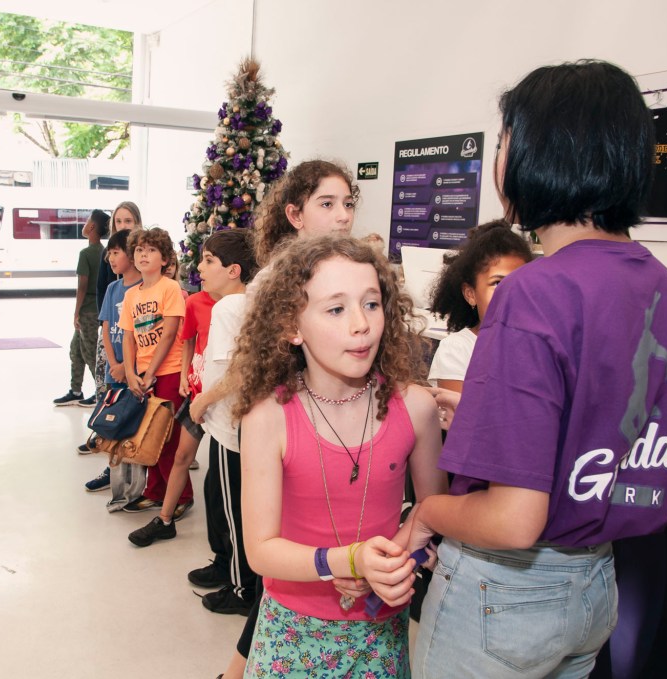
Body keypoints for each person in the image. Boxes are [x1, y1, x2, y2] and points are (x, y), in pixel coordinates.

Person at [386, 61, 667, 678]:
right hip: (596, 586)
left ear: (540, 152)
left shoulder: (534, 292)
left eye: (504, 140)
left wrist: (426, 513)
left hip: (504, 593)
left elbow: (512, 519)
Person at [228, 234, 445, 677]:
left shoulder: (416, 408)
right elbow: (261, 551)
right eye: (335, 309)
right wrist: (347, 560)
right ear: (292, 325)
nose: (361, 324)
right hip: (291, 633)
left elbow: (434, 513)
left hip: (381, 634)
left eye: (371, 304)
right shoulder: (268, 417)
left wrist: (403, 559)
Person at [215, 158, 361, 678]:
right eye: (328, 204)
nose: (342, 215)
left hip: (336, 433)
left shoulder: (349, 269)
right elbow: (259, 372)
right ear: (295, 215)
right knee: (277, 571)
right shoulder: (276, 282)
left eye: (348, 204)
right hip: (289, 440)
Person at [127, 230, 254, 556]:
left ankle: (234, 557)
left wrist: (205, 399)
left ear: (233, 270)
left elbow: (240, 368)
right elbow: (189, 342)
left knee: (224, 483)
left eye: (208, 260)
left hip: (220, 404)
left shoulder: (237, 308)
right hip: (199, 393)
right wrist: (188, 378)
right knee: (182, 457)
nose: (199, 267)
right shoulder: (198, 301)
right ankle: (165, 519)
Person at [117, 227, 191, 515]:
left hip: (169, 371)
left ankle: (181, 496)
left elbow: (170, 333)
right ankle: (155, 491)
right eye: (139, 250)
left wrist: (151, 374)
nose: (144, 255)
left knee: (168, 436)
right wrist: (132, 372)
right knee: (148, 434)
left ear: (165, 259)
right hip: (143, 374)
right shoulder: (131, 295)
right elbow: (128, 337)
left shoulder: (169, 288)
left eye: (151, 250)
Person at [427, 219, 533, 392]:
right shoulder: (457, 349)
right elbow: (462, 408)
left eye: (520, 283)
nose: (510, 293)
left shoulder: (535, 346)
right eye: (497, 283)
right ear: (470, 294)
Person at [79, 202, 144, 453]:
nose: (123, 225)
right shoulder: (112, 286)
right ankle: (106, 447)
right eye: (118, 221)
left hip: (136, 366)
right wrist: (115, 364)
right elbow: (106, 323)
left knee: (134, 418)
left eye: (128, 221)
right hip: (114, 359)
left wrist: (126, 367)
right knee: (111, 407)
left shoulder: (146, 287)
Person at [54, 209, 109, 407]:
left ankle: (100, 392)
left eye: (87, 222)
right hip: (97, 307)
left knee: (89, 351)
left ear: (92, 226)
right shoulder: (104, 252)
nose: (84, 225)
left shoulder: (86, 253)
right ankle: (75, 390)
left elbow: (82, 285)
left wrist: (76, 312)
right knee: (76, 349)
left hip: (87, 310)